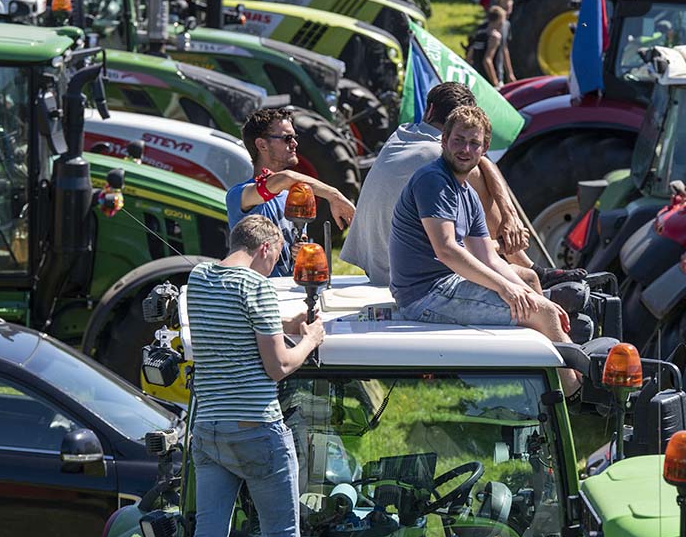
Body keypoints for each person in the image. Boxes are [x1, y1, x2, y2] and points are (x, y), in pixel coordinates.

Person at [388, 105, 580, 394]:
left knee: (529, 282)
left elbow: (487, 256)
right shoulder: (433, 180)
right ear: (443, 141)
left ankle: (541, 382)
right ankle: (573, 395)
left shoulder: (467, 192)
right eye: (458, 140)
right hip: (424, 296)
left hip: (446, 284)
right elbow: (447, 250)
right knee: (544, 315)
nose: (465, 149)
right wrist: (507, 290)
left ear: (484, 148)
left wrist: (523, 293)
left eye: (474, 143)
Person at [186, 215, 325, 537]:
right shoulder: (256, 286)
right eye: (275, 257)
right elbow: (278, 366)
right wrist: (309, 339)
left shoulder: (198, 277)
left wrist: (284, 325)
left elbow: (230, 318)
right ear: (264, 247)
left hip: (207, 429)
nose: (270, 269)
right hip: (255, 429)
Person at [341, 82, 580, 289]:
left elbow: (483, 163)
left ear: (430, 109)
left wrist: (510, 215)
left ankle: (524, 264)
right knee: (527, 281)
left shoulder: (403, 134)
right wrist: (508, 221)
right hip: (407, 277)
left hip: (374, 267)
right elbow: (480, 167)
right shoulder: (439, 156)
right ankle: (528, 266)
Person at [228, 108, 356, 276]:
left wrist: (300, 252)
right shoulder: (239, 196)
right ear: (262, 145)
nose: (294, 143)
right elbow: (284, 178)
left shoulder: (294, 197)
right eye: (287, 138)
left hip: (289, 293)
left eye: (294, 137)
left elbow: (296, 253)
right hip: (256, 293)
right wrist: (334, 196)